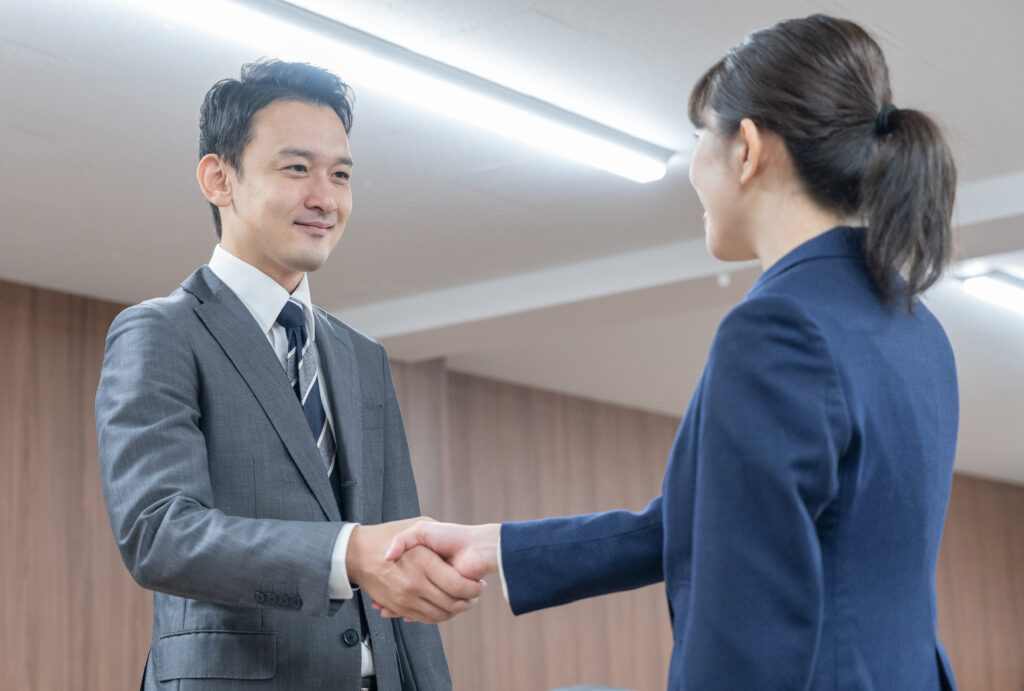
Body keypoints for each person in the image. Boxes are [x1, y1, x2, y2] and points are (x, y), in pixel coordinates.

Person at [383, 14, 960, 690]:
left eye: (700, 136)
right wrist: (497, 546)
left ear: (747, 149)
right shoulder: (916, 327)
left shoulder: (777, 328)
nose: (693, 166)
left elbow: (743, 625)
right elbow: (723, 519)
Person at [95, 59, 480, 691]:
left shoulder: (363, 357)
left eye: (341, 175)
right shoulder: (161, 331)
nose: (326, 198)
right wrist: (346, 552)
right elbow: (159, 534)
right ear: (219, 179)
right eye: (297, 168)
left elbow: (398, 560)